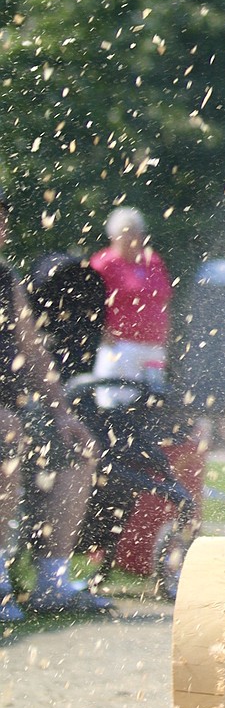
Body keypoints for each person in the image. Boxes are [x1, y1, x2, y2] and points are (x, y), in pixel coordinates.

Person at [0, 190, 114, 619]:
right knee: (7, 431)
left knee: (79, 446)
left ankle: (53, 580)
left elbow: (33, 353)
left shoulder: (6, 281)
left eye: (2, 221)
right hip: (4, 417)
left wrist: (63, 412)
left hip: (13, 407)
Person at [89, 206, 173, 406]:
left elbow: (164, 299)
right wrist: (103, 333)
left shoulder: (152, 261)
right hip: (120, 346)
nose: (133, 239)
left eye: (137, 233)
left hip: (153, 346)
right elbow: (90, 303)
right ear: (114, 237)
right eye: (127, 234)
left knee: (153, 404)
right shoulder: (103, 263)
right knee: (116, 404)